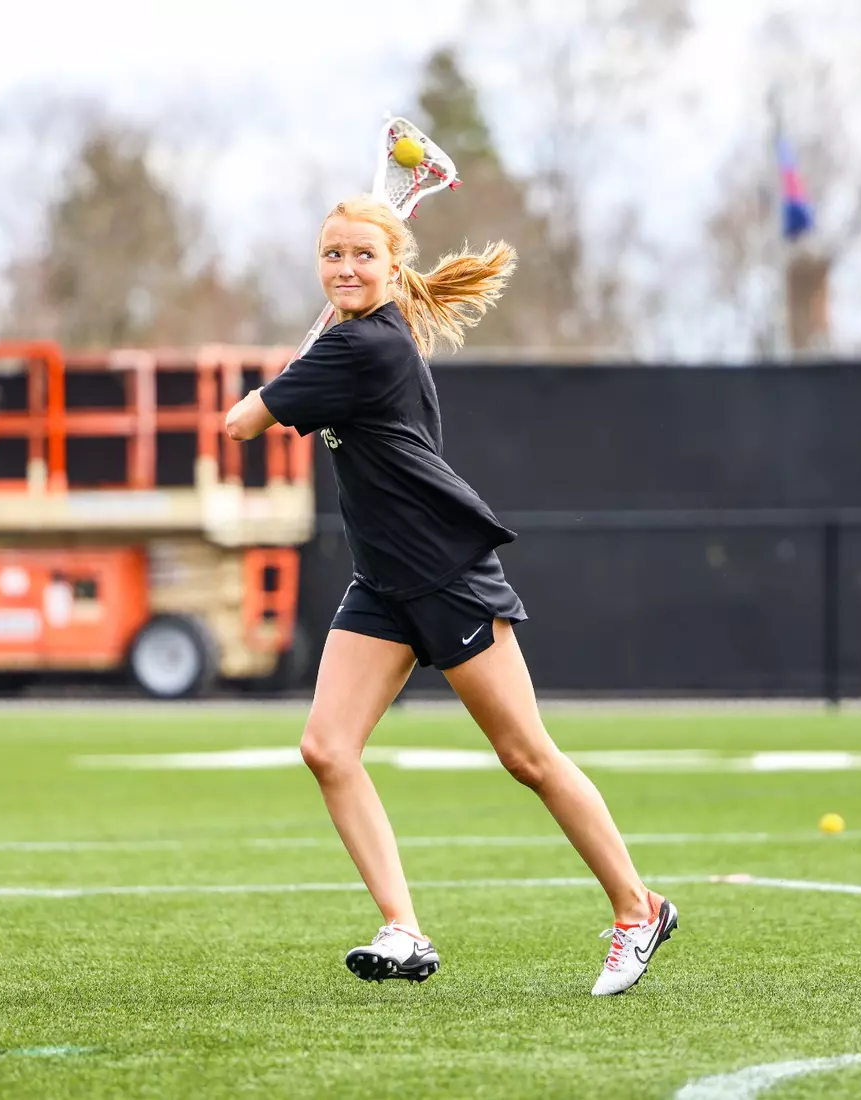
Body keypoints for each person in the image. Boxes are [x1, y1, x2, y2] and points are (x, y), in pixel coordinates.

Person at [224, 195, 677, 996]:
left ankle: (638, 909)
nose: (345, 268)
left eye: (363, 255)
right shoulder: (360, 336)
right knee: (327, 748)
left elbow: (240, 423)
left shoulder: (359, 346)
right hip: (383, 580)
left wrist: (299, 363)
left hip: (444, 573)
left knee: (527, 757)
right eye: (332, 255)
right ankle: (403, 930)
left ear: (392, 266)